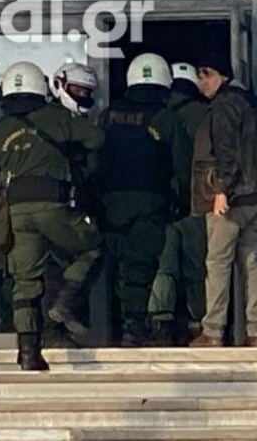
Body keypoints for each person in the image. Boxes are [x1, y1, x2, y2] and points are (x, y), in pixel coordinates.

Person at [0, 61, 104, 371]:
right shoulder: (59, 117)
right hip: (55, 205)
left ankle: (29, 351)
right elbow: (97, 139)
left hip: (16, 212)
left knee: (25, 282)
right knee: (92, 247)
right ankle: (62, 306)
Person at [189, 51, 257, 348]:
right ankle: (256, 331)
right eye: (199, 76)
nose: (202, 82)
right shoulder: (248, 105)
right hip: (253, 196)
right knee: (252, 262)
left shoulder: (222, 107)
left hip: (230, 199)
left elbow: (226, 152)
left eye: (207, 74)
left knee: (218, 263)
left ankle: (212, 331)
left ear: (222, 76)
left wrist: (222, 189)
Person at [97, 53, 175, 346]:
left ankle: (117, 326)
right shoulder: (166, 117)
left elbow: (95, 158)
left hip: (111, 203)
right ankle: (135, 326)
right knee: (141, 266)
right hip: (151, 201)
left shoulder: (107, 116)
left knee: (113, 265)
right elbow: (181, 163)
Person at [147, 61, 212, 346]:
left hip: (165, 203)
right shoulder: (207, 114)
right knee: (198, 265)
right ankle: (200, 322)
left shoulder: (160, 117)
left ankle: (161, 320)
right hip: (201, 201)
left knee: (166, 264)